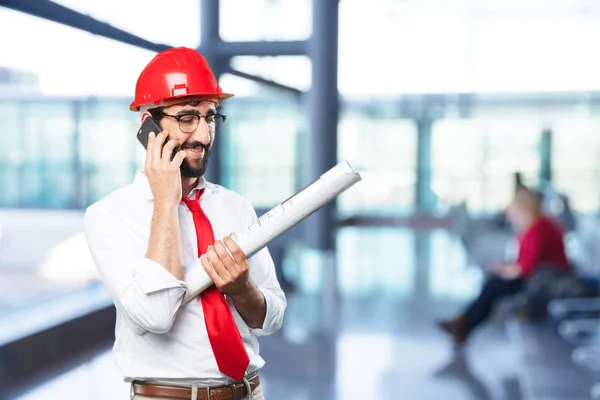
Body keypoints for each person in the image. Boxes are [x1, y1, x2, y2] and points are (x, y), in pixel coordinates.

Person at [84, 47, 286, 400]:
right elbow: (157, 315)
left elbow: (271, 318)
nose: (204, 136)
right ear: (148, 125)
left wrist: (242, 289)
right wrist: (166, 200)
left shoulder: (235, 207)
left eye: (210, 117)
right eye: (188, 118)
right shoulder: (109, 217)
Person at [438, 186, 570, 345]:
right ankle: (464, 322)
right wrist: (505, 267)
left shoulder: (539, 228)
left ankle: (464, 323)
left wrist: (506, 270)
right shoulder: (534, 225)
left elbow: (527, 268)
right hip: (539, 276)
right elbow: (525, 261)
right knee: (493, 282)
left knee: (493, 285)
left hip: (546, 280)